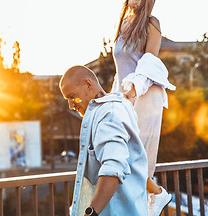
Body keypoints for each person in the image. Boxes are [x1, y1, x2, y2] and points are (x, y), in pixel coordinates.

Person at [110, 0, 175, 216]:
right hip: (124, 95)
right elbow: (121, 69)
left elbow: (148, 62)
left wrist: (133, 89)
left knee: (135, 155)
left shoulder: (151, 24)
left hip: (145, 94)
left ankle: (155, 195)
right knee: (118, 153)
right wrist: (115, 97)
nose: (138, 2)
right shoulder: (123, 24)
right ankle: (156, 194)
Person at [60, 65, 148, 216]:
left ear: (88, 84)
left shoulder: (109, 113)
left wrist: (91, 214)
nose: (71, 105)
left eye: (72, 96)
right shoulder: (113, 108)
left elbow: (113, 168)